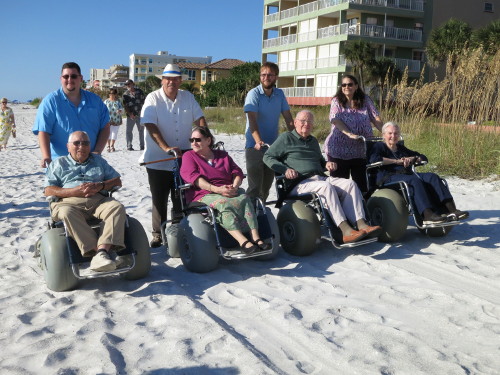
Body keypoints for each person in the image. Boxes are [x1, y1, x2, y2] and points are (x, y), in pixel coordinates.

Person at [264, 110, 381, 244]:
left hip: (318, 178)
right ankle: (345, 230)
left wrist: (327, 164)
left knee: (350, 184)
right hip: (298, 183)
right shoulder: (286, 138)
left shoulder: (313, 141)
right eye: (303, 121)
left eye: (309, 122)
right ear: (295, 122)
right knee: (326, 187)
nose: (306, 124)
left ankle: (361, 224)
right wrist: (284, 170)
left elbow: (320, 162)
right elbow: (267, 156)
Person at [140, 63, 207, 248]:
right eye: (168, 79)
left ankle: (178, 231)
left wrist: (204, 137)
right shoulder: (152, 98)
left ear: (180, 81)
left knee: (181, 195)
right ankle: (157, 234)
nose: (172, 82)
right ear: (162, 80)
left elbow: (199, 118)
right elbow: (150, 125)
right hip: (157, 159)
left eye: (176, 79)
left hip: (183, 159)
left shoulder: (188, 97)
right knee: (159, 198)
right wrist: (165, 147)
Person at [44, 131, 127, 272]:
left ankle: (102, 252)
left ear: (89, 146)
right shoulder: (58, 163)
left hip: (98, 200)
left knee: (116, 207)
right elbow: (48, 190)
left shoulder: (98, 161)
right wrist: (73, 191)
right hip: (68, 202)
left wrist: (100, 185)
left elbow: (117, 180)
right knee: (66, 212)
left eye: (85, 143)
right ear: (68, 146)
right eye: (76, 143)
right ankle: (96, 252)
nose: (81, 146)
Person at [180, 127, 270, 254]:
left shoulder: (222, 155)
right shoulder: (189, 156)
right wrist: (217, 189)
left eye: (198, 139)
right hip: (204, 193)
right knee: (224, 202)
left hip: (228, 188)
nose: (194, 142)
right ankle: (243, 242)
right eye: (191, 139)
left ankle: (256, 238)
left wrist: (235, 186)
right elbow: (194, 178)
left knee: (245, 198)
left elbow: (237, 172)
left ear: (208, 140)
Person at [369, 122, 469, 224]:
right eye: (390, 133)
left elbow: (422, 157)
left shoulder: (400, 148)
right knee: (414, 180)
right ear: (383, 135)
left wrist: (413, 158)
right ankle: (427, 215)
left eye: (395, 133)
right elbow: (373, 159)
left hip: (406, 175)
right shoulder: (379, 146)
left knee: (432, 177)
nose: (393, 136)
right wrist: (397, 161)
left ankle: (451, 210)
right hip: (388, 176)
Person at [33, 62, 110, 167]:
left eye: (73, 76)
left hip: (90, 162)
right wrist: (46, 156)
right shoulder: (50, 101)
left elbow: (105, 127)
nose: (69, 79)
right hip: (60, 164)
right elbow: (43, 131)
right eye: (66, 76)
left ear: (81, 78)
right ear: (61, 79)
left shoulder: (95, 101)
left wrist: (97, 151)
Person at [244, 62, 294, 203]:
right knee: (255, 186)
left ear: (276, 77)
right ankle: (249, 215)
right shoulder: (253, 94)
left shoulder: (279, 94)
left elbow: (288, 118)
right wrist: (258, 140)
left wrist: (297, 137)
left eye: (270, 75)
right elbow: (252, 120)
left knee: (266, 186)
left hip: (272, 147)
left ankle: (262, 214)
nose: (266, 77)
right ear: (260, 77)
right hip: (254, 145)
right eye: (263, 74)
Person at [324, 74, 383, 192]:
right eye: (344, 85)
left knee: (362, 185)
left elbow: (376, 118)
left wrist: (387, 133)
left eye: (350, 84)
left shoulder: (365, 100)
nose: (346, 87)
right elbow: (335, 120)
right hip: (338, 150)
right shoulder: (336, 101)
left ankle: (362, 207)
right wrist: (349, 134)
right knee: (340, 186)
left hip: (361, 150)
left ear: (356, 86)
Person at [122, 79, 146, 151]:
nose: (128, 85)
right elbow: (125, 105)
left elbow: (144, 102)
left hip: (140, 115)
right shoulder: (125, 94)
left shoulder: (140, 91)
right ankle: (129, 146)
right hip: (130, 116)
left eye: (129, 84)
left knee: (141, 131)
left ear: (133, 84)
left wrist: (143, 112)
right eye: (126, 84)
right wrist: (130, 114)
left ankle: (142, 146)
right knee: (129, 131)